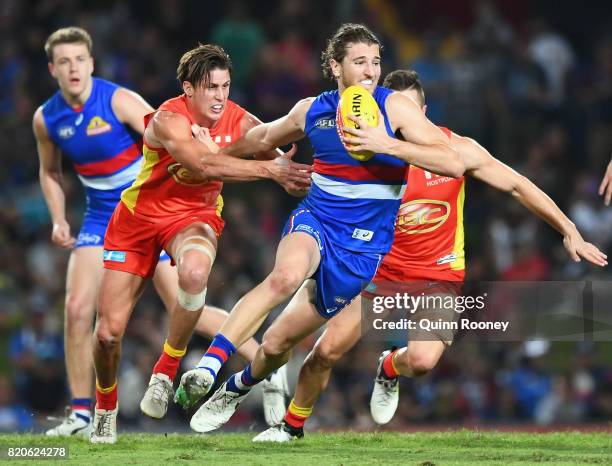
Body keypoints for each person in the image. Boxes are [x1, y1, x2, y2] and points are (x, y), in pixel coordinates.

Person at [252, 69, 608, 441]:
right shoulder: (366, 159)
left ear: (424, 111)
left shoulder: (458, 152)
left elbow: (518, 185)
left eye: (410, 111)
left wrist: (570, 231)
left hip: (438, 276)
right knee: (327, 351)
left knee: (421, 362)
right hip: (378, 271)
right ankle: (291, 427)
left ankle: (389, 366)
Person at [174, 24, 464, 434]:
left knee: (275, 346)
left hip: (360, 251)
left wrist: (386, 144)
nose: (370, 71)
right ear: (335, 66)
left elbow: (452, 163)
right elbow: (261, 136)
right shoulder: (312, 110)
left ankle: (238, 386)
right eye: (359, 62)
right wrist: (212, 153)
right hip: (316, 219)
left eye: (376, 62)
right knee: (285, 276)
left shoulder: (395, 108)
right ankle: (209, 368)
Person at [89, 43, 310, 444]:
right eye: (211, 87)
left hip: (194, 218)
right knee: (108, 334)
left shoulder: (240, 120)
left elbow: (282, 161)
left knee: (194, 274)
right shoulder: (167, 119)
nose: (220, 96)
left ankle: (165, 369)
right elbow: (204, 164)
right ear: (189, 89)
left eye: (225, 86)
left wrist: (290, 170)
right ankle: (104, 409)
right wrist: (270, 170)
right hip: (137, 221)